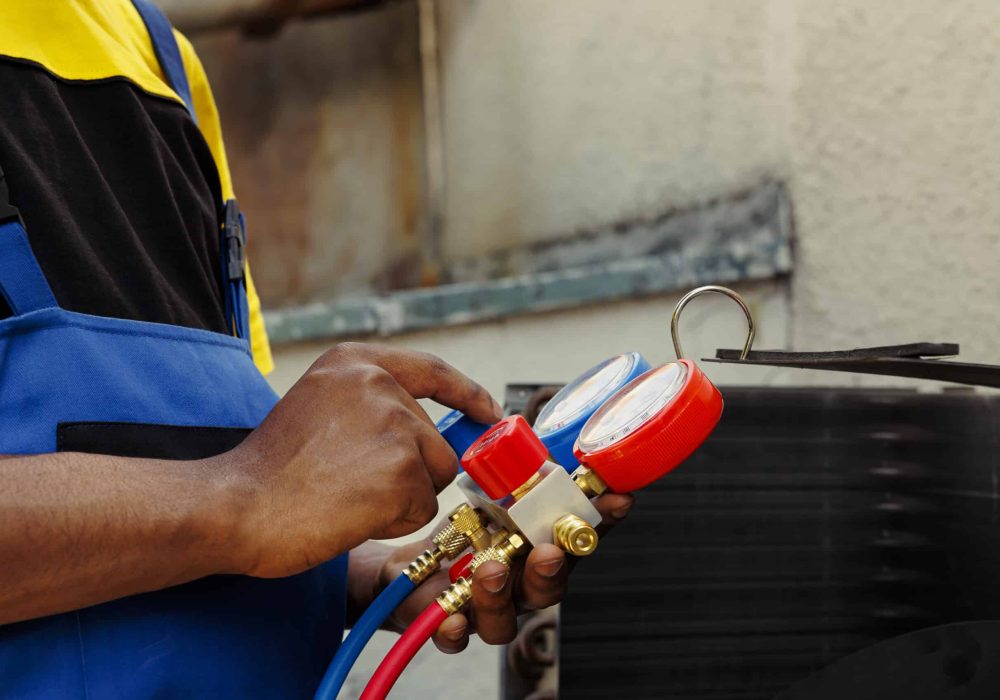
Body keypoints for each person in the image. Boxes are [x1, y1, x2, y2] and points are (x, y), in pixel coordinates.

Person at [0, 1, 634, 697]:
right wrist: (244, 494)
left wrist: (373, 575)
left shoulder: (158, 57)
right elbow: (241, 492)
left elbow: (208, 476)